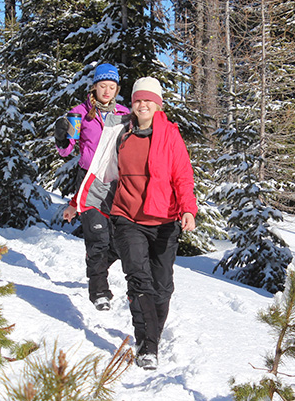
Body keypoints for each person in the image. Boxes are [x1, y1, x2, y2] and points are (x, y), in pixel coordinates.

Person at [64, 76, 197, 370]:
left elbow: (183, 177)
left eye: (148, 99)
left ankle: (153, 335)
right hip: (128, 218)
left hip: (165, 221)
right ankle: (146, 345)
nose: (143, 104)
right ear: (133, 104)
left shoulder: (171, 135)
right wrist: (77, 202)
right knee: (139, 279)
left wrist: (188, 209)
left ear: (157, 104)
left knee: (162, 286)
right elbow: (99, 173)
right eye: (138, 100)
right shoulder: (120, 134)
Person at [55, 63, 130, 311]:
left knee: (119, 242)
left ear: (117, 88)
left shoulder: (124, 113)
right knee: (97, 237)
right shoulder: (80, 112)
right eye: (102, 86)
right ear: (94, 87)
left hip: (117, 182)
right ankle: (99, 291)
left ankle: (95, 264)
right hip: (89, 178)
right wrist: (61, 137)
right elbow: (66, 150)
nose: (107, 91)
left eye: (111, 87)